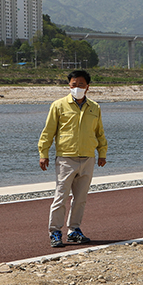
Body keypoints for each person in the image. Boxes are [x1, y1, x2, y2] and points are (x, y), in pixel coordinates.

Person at [38, 70, 108, 247]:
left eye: (81, 85)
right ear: (69, 86)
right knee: (60, 196)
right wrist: (43, 153)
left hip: (88, 158)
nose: (77, 88)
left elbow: (99, 133)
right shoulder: (59, 106)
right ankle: (55, 231)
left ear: (88, 87)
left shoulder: (94, 107)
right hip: (66, 159)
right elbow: (48, 132)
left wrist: (102, 153)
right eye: (73, 85)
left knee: (81, 198)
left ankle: (74, 230)